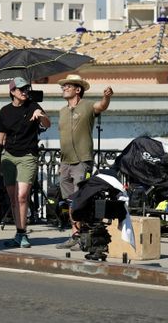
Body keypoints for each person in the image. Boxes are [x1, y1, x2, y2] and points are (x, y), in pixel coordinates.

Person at [55, 74, 113, 250]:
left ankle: (84, 237)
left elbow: (101, 106)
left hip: (82, 160)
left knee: (81, 200)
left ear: (77, 89)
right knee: (70, 201)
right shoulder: (62, 111)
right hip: (65, 162)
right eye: (63, 86)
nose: (64, 88)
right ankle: (75, 235)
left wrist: (106, 97)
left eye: (68, 86)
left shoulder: (87, 106)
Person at [0, 77, 50, 248]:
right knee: (13, 198)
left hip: (27, 156)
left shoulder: (33, 106)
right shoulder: (4, 111)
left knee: (21, 196)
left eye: (26, 89)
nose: (25, 92)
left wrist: (41, 115)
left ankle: (22, 233)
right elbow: (1, 137)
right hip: (8, 156)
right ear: (12, 92)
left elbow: (48, 124)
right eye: (21, 89)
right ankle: (18, 233)